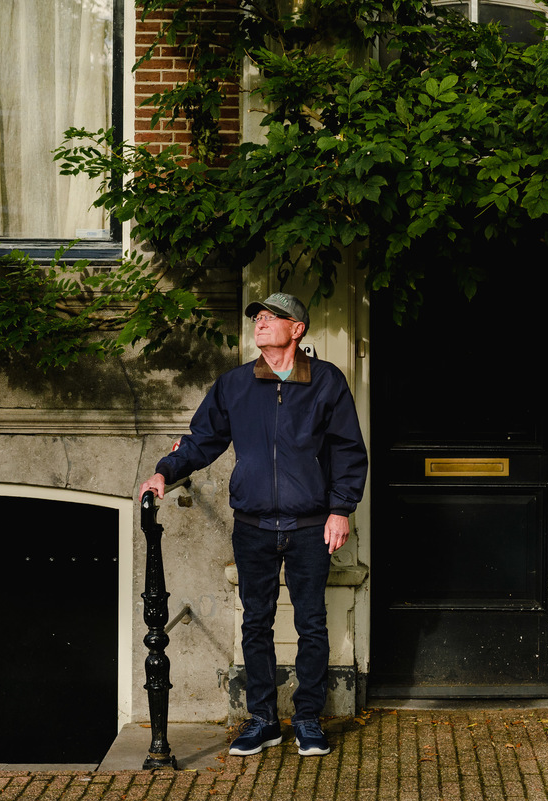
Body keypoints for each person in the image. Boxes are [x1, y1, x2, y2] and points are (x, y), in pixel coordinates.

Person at [138, 292, 368, 758]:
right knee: (256, 624)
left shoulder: (326, 382)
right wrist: (165, 471)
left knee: (312, 624)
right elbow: (203, 440)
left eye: (271, 317)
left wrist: (341, 508)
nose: (260, 323)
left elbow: (347, 449)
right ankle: (262, 719)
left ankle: (307, 718)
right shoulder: (235, 385)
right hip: (254, 524)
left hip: (310, 524)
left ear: (297, 329)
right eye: (258, 318)